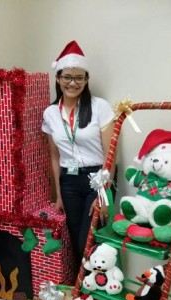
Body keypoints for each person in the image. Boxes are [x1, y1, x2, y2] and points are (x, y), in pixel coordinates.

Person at [41, 41, 115, 270]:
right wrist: (59, 195)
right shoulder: (51, 113)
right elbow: (54, 156)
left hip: (96, 180)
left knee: (90, 239)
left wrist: (103, 194)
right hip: (69, 182)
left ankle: (100, 291)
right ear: (58, 78)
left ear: (86, 79)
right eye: (67, 77)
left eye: (79, 78)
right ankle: (83, 291)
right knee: (75, 239)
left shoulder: (100, 107)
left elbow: (111, 155)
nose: (73, 83)